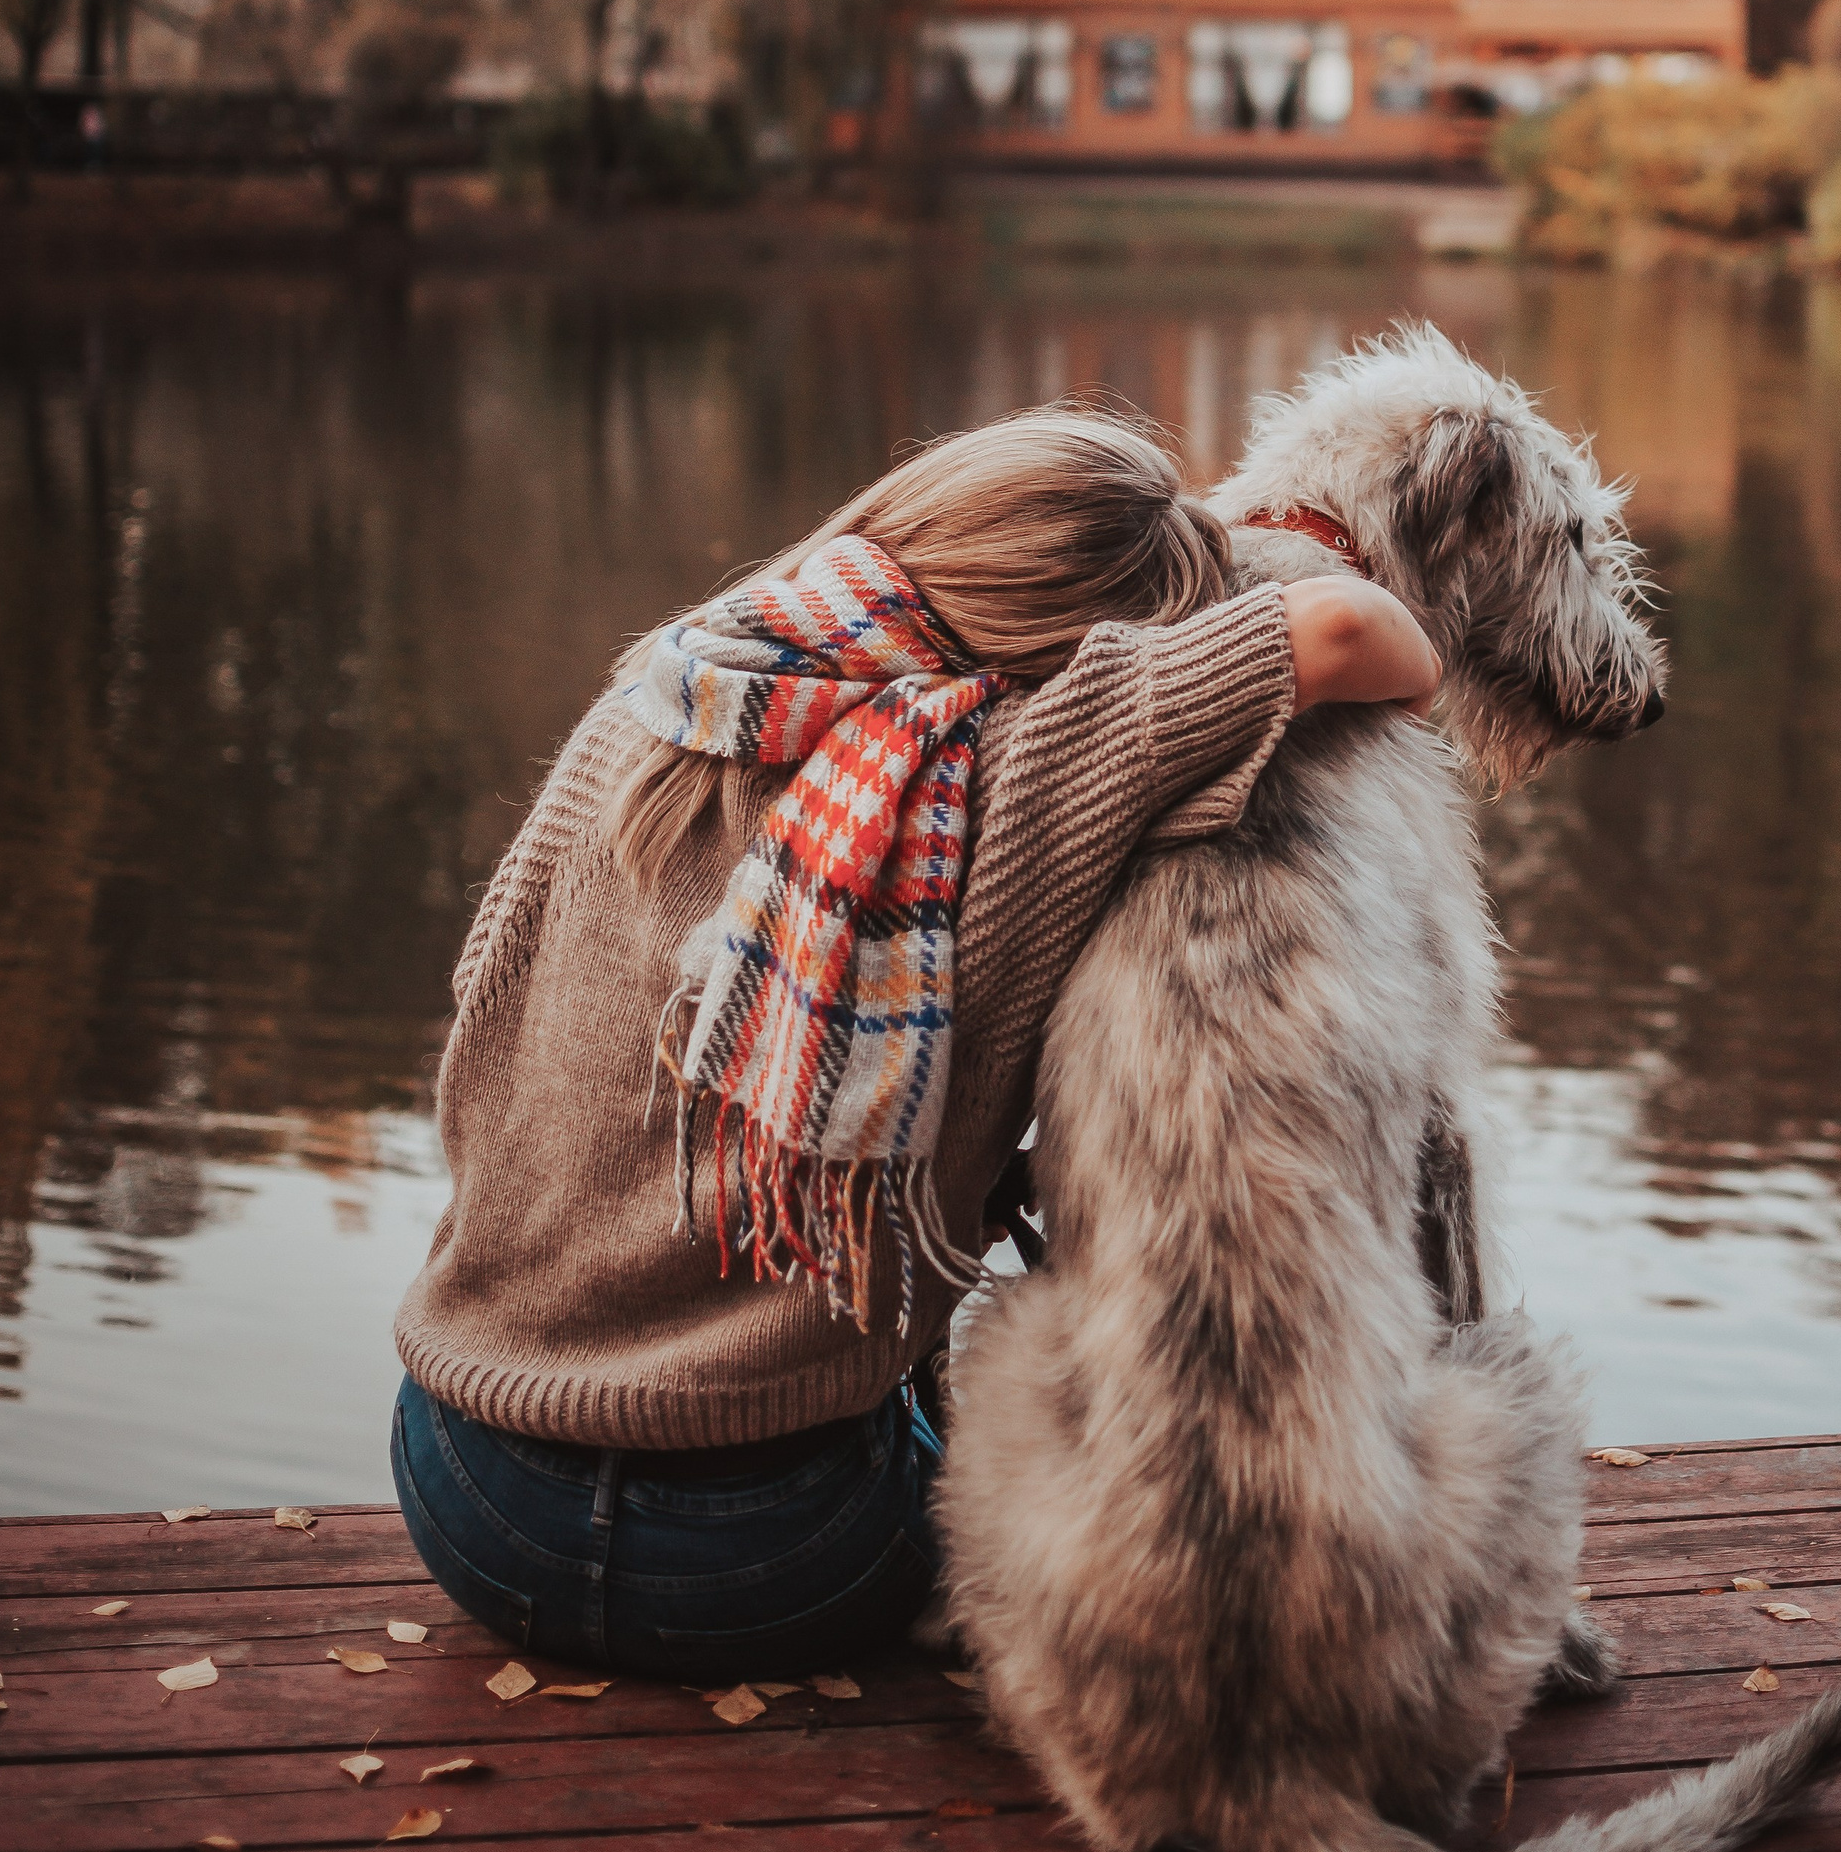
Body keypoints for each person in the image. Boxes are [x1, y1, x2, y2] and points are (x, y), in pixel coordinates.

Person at [390, 405, 1439, 1683]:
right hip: (770, 1558)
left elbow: (480, 1003)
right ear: (1079, 651)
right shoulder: (1029, 757)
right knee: (1085, 1477)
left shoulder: (666, 690)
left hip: (463, 1488)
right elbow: (1363, 638)